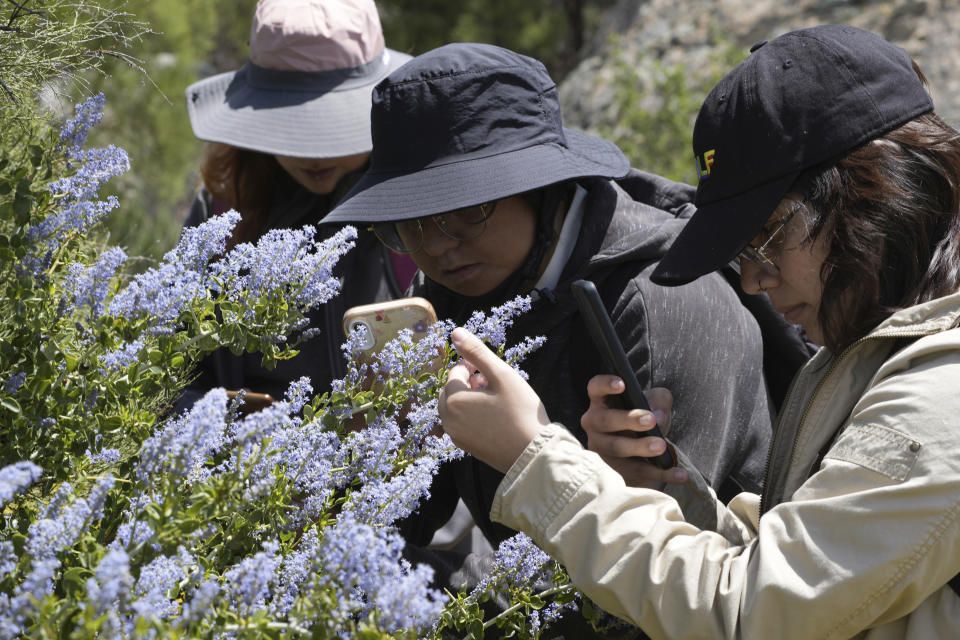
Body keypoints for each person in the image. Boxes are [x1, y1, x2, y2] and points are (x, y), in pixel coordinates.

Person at [438, 24, 960, 639]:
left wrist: (536, 461)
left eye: (765, 239)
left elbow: (751, 614)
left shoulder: (939, 396)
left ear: (876, 195)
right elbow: (795, 568)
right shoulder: (868, 356)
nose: (754, 281)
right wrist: (653, 486)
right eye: (741, 253)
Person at [321, 43, 797, 559]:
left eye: (468, 208)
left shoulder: (662, 302)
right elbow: (396, 526)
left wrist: (548, 462)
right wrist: (383, 446)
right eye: (406, 222)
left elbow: (671, 575)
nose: (435, 244)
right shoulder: (453, 287)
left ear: (543, 186)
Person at [176, 0, 414, 409]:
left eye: (335, 124)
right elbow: (177, 364)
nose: (314, 154)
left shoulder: (419, 203)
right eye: (292, 126)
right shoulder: (224, 207)